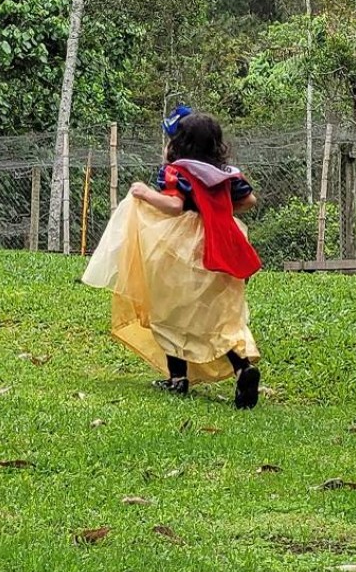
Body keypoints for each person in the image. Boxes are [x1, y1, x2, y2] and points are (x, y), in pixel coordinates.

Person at [81, 105, 263, 409]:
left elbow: (174, 206)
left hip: (183, 247)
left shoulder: (177, 171)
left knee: (169, 311)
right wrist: (215, 210)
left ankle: (177, 379)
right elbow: (248, 200)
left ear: (179, 144)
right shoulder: (227, 175)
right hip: (221, 246)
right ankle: (243, 366)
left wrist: (143, 193)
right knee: (215, 318)